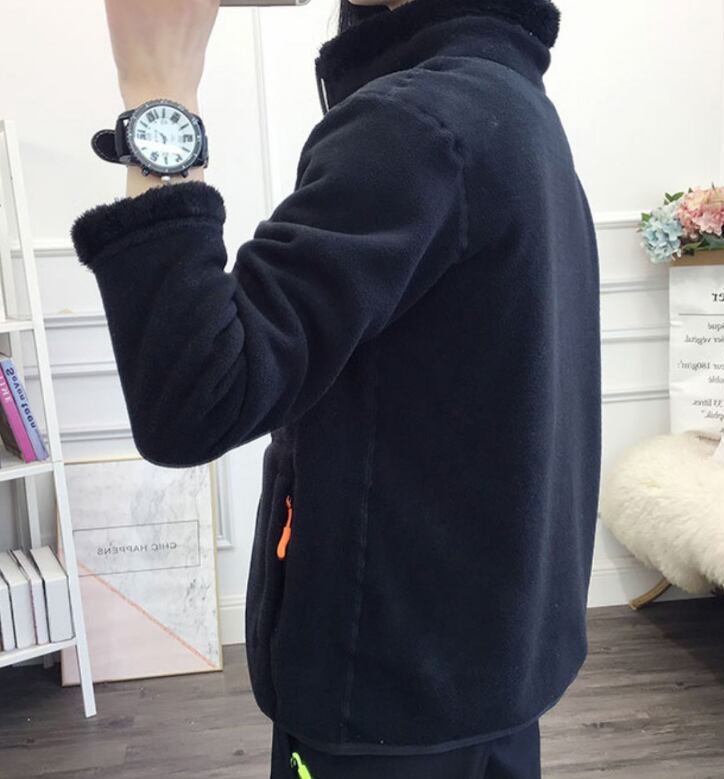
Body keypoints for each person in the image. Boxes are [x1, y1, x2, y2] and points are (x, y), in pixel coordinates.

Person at [70, 0, 602, 776]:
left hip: (385, 699)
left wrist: (159, 94)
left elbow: (193, 401)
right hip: (487, 681)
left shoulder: (419, 124)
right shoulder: (510, 104)